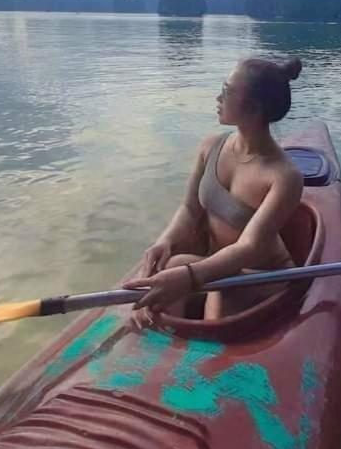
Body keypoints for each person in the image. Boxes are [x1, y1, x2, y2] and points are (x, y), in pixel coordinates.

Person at [125, 57, 305, 326]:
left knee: (220, 290)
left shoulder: (284, 176)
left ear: (254, 108)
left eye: (227, 91)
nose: (217, 97)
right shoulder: (211, 147)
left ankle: (202, 359)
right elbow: (189, 209)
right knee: (170, 264)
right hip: (219, 266)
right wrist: (165, 241)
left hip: (264, 277)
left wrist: (191, 275)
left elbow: (249, 247)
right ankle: (161, 337)